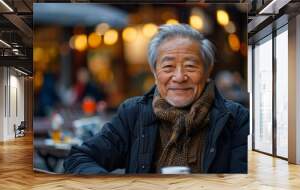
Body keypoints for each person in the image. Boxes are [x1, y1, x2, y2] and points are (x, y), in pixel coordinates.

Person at [64, 24, 249, 174]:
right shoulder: (133, 113)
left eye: (190, 67)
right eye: (168, 67)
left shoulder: (235, 119)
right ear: (154, 73)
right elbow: (79, 158)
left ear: (208, 72)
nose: (179, 77)